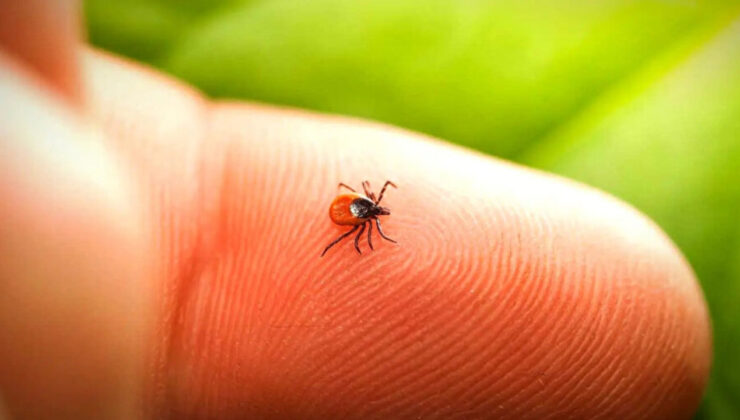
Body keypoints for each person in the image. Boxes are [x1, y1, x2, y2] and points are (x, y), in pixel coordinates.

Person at [0, 1, 710, 418]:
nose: (371, 214)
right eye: (372, 211)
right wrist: (359, 215)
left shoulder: (357, 206)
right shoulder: (359, 211)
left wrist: (357, 209)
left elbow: (355, 201)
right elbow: (357, 207)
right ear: (368, 209)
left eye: (370, 212)